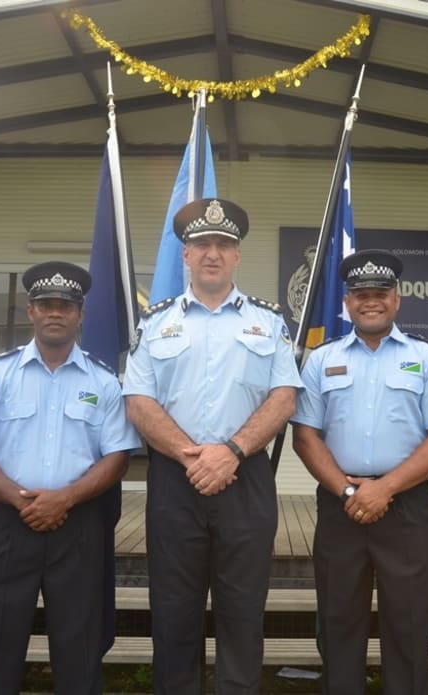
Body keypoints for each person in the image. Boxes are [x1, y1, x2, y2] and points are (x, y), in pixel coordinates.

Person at [123, 198, 302, 694]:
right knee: (174, 612)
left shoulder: (268, 322)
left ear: (238, 256)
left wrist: (232, 452)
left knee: (242, 612)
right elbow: (138, 402)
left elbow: (284, 397)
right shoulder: (155, 322)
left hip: (246, 481)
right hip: (174, 485)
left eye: (224, 245)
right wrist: (191, 455)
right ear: (185, 255)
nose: (213, 254)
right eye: (202, 244)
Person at [0, 261, 140, 694]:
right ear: (30, 311)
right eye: (46, 305)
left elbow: (117, 458)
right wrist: (22, 500)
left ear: (80, 315)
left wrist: (65, 498)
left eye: (66, 306)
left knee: (80, 649)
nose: (56, 313)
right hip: (7, 523)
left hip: (79, 527)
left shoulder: (105, 382)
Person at [291, 249, 428, 695]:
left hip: (405, 505)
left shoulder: (426, 358)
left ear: (397, 300)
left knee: (409, 623)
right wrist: (349, 492)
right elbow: (306, 436)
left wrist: (384, 488)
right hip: (339, 505)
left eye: (381, 294)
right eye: (361, 294)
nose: (372, 301)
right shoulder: (320, 359)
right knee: (339, 619)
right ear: (347, 303)